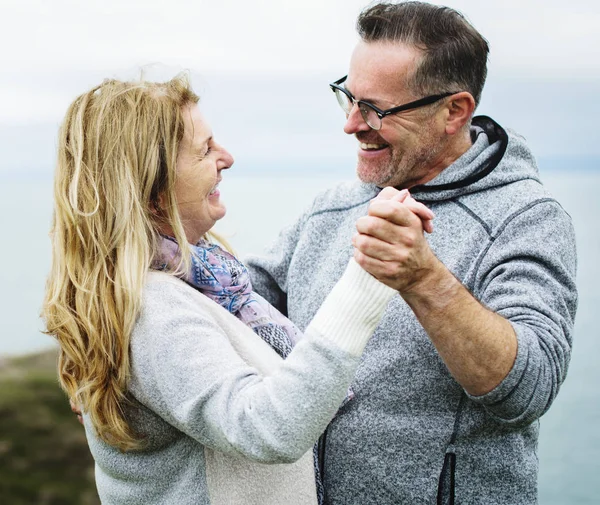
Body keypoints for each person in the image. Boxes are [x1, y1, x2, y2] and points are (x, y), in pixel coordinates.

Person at [43, 74, 438, 505]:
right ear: (151, 187)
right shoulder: (154, 311)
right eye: (205, 150)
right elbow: (269, 428)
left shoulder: (196, 283)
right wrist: (367, 277)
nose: (226, 157)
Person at [245, 2, 578, 504]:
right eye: (348, 98)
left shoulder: (527, 217)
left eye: (375, 108)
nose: (352, 124)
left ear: (454, 111)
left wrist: (425, 279)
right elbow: (239, 299)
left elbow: (528, 390)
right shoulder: (332, 206)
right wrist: (119, 339)